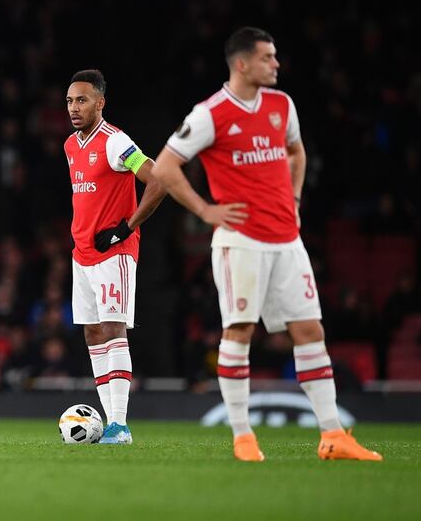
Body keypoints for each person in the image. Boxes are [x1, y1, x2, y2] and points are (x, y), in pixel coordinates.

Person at [152, 26, 381, 462]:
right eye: (267, 57)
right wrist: (205, 210)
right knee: (240, 330)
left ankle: (333, 435)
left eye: (274, 56)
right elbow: (164, 167)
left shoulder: (281, 105)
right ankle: (243, 437)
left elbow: (297, 153)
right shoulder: (210, 113)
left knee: (310, 331)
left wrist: (293, 199)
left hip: (287, 240)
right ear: (242, 64)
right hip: (241, 241)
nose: (275, 64)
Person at [63, 70, 166, 444]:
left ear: (100, 102)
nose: (74, 108)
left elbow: (159, 179)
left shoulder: (115, 141)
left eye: (82, 100)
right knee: (92, 332)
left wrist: (126, 227)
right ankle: (109, 422)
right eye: (70, 101)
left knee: (112, 328)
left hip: (113, 252)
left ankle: (120, 425)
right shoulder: (71, 145)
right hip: (82, 253)